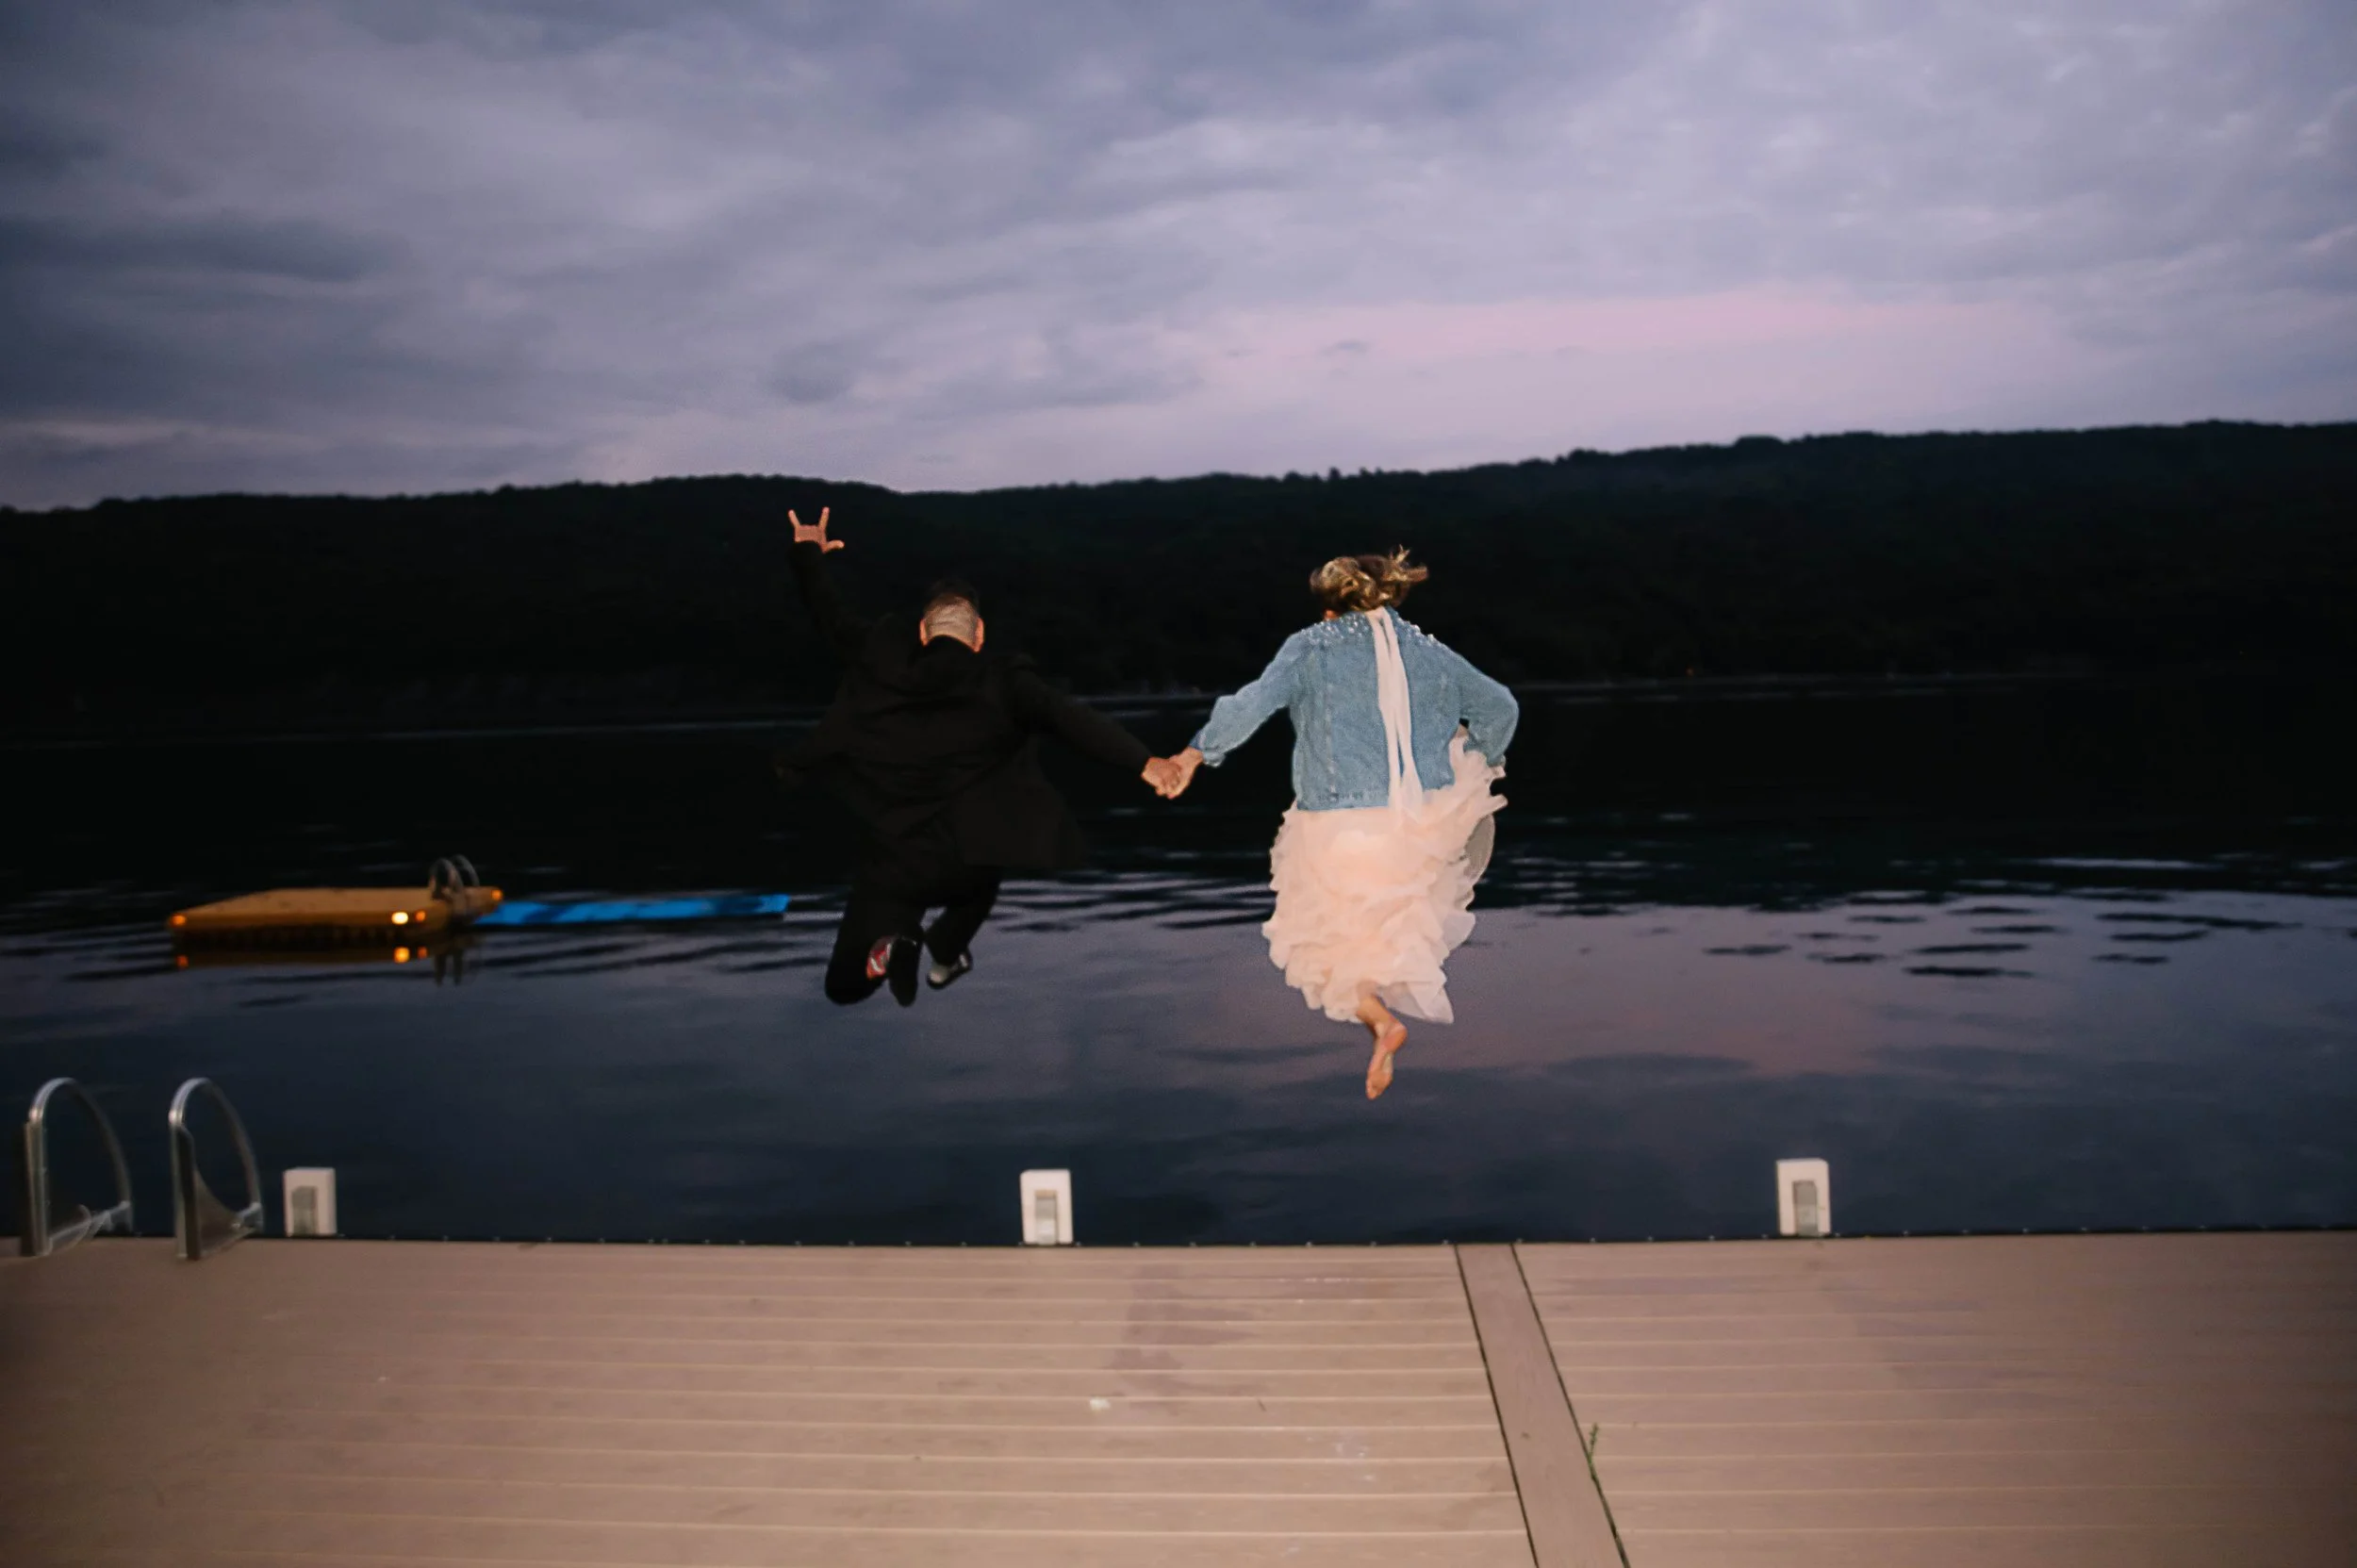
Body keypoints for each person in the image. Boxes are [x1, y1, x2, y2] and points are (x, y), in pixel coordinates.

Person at [779, 506, 1187, 1005]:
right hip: (971, 858)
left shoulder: (877, 656)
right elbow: (1071, 718)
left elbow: (828, 612)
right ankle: (944, 949)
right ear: (979, 638)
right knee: (981, 879)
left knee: (843, 987)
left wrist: (807, 552)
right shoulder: (1007, 681)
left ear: (924, 634)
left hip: (892, 860)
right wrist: (1147, 763)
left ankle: (890, 945)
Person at [1166, 551, 1517, 1098]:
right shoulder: (1431, 652)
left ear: (1330, 607)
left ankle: (1381, 1023)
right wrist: (1471, 760)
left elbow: (1251, 704)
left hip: (1340, 826)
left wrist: (1193, 755)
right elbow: (1501, 707)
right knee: (1369, 945)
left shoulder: (1311, 646)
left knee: (1315, 948)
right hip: (1417, 828)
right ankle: (1382, 1021)